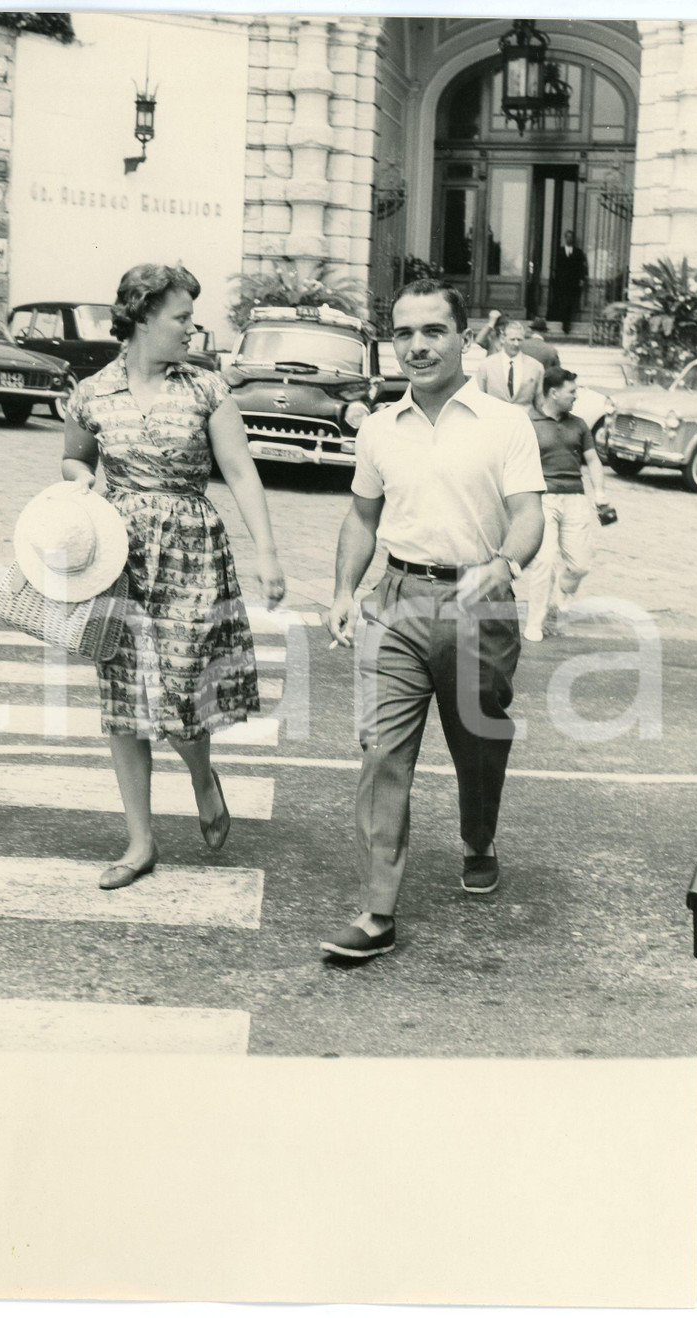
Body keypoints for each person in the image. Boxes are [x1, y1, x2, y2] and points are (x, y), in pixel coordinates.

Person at [321, 278, 544, 959]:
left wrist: (503, 563)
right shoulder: (380, 428)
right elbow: (362, 516)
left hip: (481, 600)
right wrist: (341, 591)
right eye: (404, 334)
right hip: (395, 598)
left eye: (433, 332)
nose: (417, 347)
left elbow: (530, 513)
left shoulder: (505, 423)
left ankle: (478, 836)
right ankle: (377, 911)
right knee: (382, 752)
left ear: (463, 338)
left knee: (479, 744)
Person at [62, 262, 286, 889]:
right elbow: (72, 460)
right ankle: (140, 842)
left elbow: (240, 471)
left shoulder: (207, 388)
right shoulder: (90, 392)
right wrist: (79, 484)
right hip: (116, 558)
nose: (192, 329)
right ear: (139, 318)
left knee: (182, 689)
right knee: (124, 699)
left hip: (191, 548)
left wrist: (267, 552)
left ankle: (201, 774)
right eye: (181, 317)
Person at [523, 368, 610, 643]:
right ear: (554, 393)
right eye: (572, 392)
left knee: (580, 565)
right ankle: (534, 623)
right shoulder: (528, 423)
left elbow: (593, 460)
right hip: (543, 499)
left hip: (575, 498)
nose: (576, 397)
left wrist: (600, 494)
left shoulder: (580, 424)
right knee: (544, 562)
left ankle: (563, 589)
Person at [474, 319, 544, 409]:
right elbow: (479, 399)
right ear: (503, 339)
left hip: (523, 420)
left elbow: (539, 402)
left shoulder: (536, 367)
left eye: (519, 340)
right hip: (493, 419)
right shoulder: (486, 365)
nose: (516, 344)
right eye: (512, 339)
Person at [552, 231, 589, 335]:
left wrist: (581, 279)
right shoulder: (559, 251)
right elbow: (557, 267)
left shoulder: (578, 252)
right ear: (565, 238)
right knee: (563, 303)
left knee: (570, 303)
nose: (569, 239)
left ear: (573, 239)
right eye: (567, 237)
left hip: (573, 283)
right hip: (562, 283)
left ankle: (567, 324)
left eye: (571, 237)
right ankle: (565, 324)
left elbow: (582, 267)